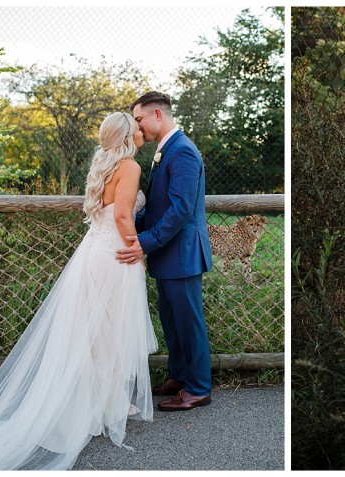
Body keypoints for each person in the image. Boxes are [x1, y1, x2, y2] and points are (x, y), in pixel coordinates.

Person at [0, 112, 157, 470]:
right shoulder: (130, 167)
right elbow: (122, 216)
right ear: (125, 134)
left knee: (95, 333)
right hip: (116, 253)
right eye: (136, 125)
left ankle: (104, 401)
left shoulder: (105, 165)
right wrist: (138, 252)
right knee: (109, 330)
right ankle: (103, 405)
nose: (141, 128)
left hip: (93, 252)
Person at [117, 91, 213, 411]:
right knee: (172, 321)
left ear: (158, 115)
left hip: (182, 253)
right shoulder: (165, 150)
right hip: (168, 253)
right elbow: (159, 206)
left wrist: (143, 242)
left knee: (188, 321)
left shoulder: (183, 151)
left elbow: (180, 210)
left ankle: (198, 387)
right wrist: (131, 225)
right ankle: (180, 375)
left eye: (140, 119)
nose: (138, 126)